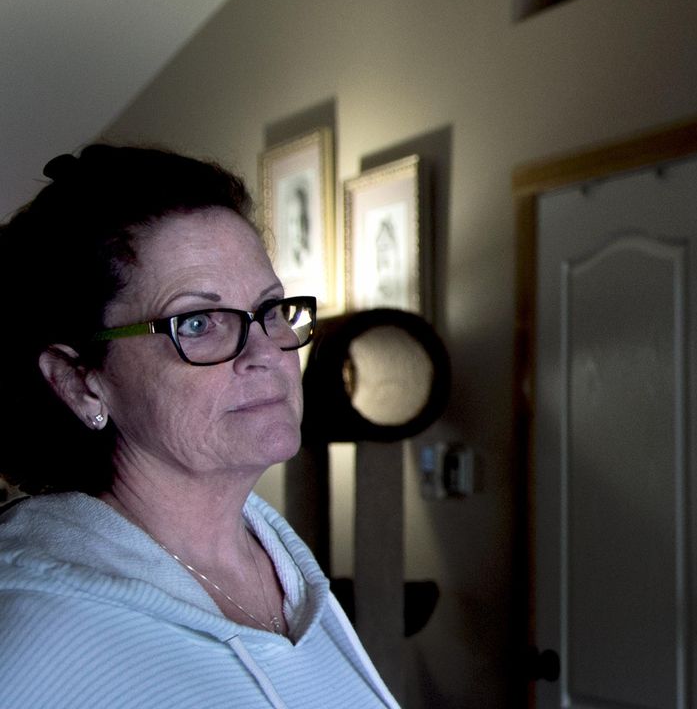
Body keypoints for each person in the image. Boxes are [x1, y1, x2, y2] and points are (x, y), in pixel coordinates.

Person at [0, 144, 400, 708]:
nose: (265, 352)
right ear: (78, 380)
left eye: (271, 309)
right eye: (197, 321)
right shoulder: (34, 632)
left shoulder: (282, 568)